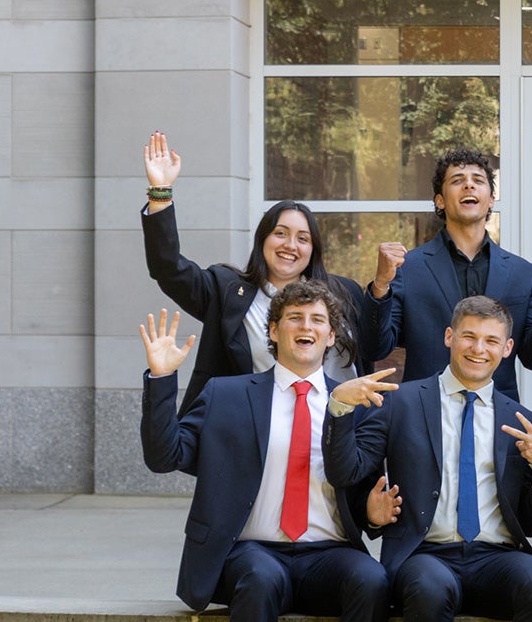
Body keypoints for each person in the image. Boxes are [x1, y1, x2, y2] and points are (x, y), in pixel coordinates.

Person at [137, 280, 400, 622]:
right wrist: (160, 380)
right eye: (295, 318)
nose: (307, 327)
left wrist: (373, 515)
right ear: (273, 331)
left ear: (331, 335)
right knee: (258, 577)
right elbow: (166, 455)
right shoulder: (227, 394)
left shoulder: (356, 403)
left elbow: (360, 487)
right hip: (252, 550)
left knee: (372, 579)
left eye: (318, 320)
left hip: (328, 552)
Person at [322, 295, 532, 622]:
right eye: (469, 336)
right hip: (427, 553)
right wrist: (339, 412)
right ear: (449, 338)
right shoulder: (402, 403)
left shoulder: (521, 420)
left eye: (492, 340)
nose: (479, 348)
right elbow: (350, 471)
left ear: (508, 348)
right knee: (429, 589)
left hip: (498, 556)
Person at [142, 131, 370, 413]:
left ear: (314, 249)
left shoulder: (344, 293)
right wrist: (160, 193)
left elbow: (375, 345)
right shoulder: (226, 290)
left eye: (302, 238)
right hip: (253, 429)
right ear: (263, 240)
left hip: (334, 426)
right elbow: (168, 269)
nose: (290, 245)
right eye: (280, 233)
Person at [368, 148, 532, 395]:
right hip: (424, 413)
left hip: (499, 418)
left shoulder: (522, 273)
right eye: (457, 180)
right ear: (439, 200)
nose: (469, 186)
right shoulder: (409, 268)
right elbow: (377, 348)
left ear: (491, 199)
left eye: (477, 180)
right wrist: (380, 286)